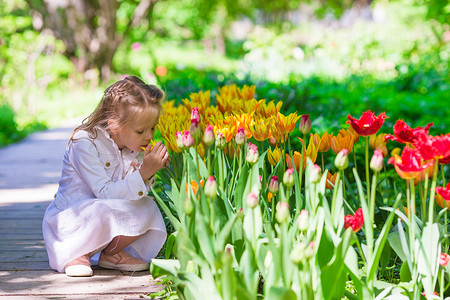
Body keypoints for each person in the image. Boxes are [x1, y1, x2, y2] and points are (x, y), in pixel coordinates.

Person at [42, 76, 170, 277]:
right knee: (102, 207)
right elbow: (105, 194)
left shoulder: (131, 147)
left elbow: (130, 193)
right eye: (141, 130)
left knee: (148, 206)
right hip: (74, 223)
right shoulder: (84, 142)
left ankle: (111, 253)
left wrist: (150, 169)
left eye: (152, 128)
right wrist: (144, 171)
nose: (149, 136)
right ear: (115, 125)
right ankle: (77, 254)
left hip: (103, 212)